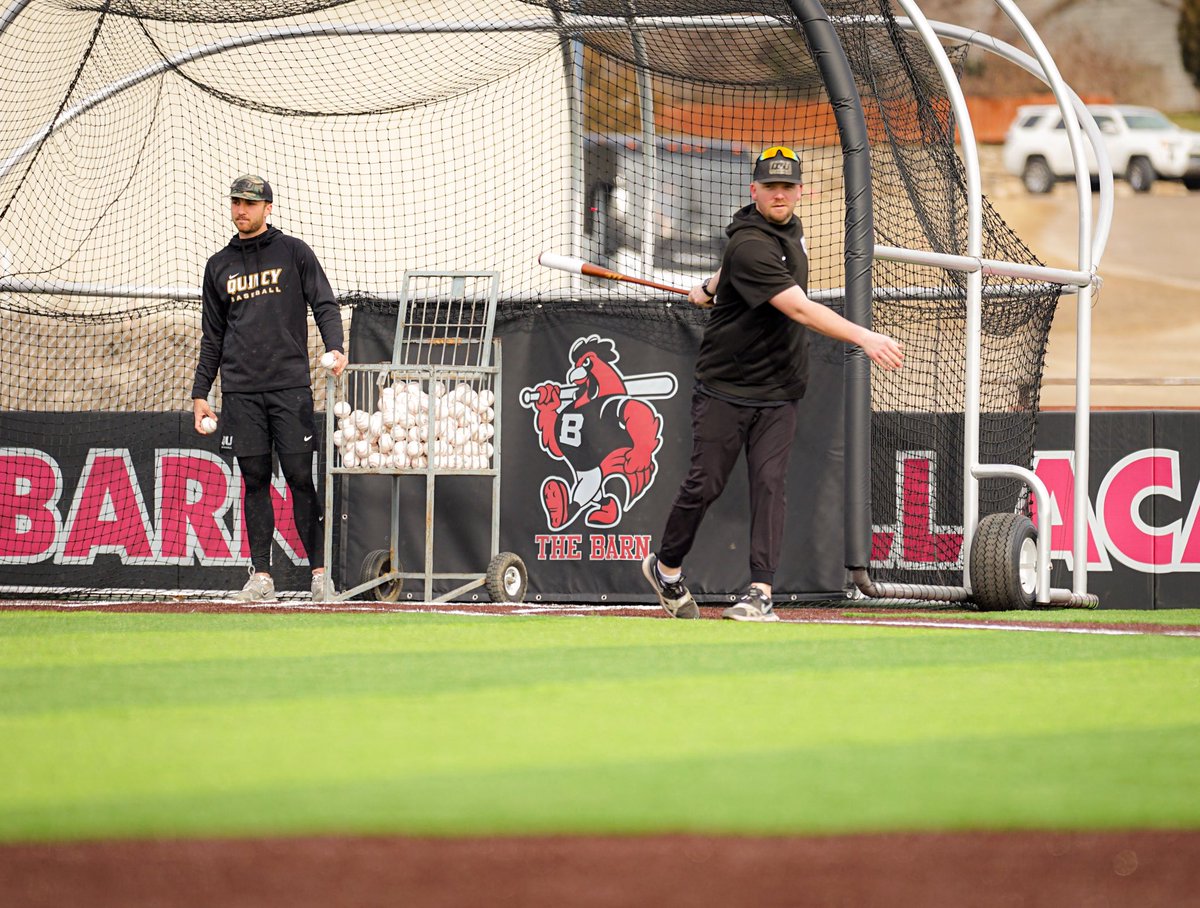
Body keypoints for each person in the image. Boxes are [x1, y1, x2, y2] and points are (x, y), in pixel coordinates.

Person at [641, 146, 904, 622]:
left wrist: (710, 286)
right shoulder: (748, 244)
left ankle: (760, 591)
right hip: (726, 387)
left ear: (799, 191)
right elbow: (800, 307)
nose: (779, 195)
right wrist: (863, 335)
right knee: (706, 484)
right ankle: (665, 567)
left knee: (769, 484)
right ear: (754, 190)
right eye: (770, 187)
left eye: (787, 187)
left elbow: (749, 270)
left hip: (779, 391)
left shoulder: (789, 229)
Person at [191, 175, 348, 602]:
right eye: (236, 202)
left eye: (250, 203)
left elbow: (324, 303)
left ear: (268, 208)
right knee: (255, 478)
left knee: (300, 478)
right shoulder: (218, 265)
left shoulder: (293, 252)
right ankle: (261, 576)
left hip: (289, 388)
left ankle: (319, 576)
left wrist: (336, 347)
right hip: (241, 392)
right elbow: (213, 337)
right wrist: (200, 393)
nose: (241, 209)